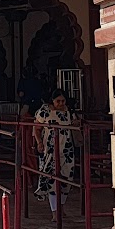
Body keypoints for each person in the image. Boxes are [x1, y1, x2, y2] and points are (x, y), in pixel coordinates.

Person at [32, 90, 76, 221]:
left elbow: (75, 123)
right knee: (51, 178)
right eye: (58, 101)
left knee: (67, 178)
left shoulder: (69, 111)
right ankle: (54, 212)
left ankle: (61, 207)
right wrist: (39, 142)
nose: (61, 104)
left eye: (63, 101)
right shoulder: (45, 111)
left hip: (67, 149)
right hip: (50, 149)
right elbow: (37, 128)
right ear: (52, 101)